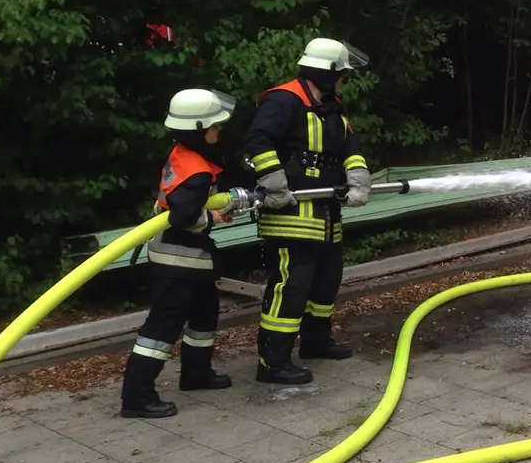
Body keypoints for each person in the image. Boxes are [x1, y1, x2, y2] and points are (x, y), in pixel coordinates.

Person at [244, 38, 372, 385]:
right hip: (291, 212)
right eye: (342, 74)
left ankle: (316, 342)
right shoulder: (283, 100)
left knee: (327, 281)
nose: (344, 80)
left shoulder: (332, 107)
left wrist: (358, 178)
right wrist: (274, 181)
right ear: (326, 73)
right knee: (291, 287)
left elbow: (349, 146)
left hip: (327, 212)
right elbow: (258, 140)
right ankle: (272, 363)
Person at [120, 88, 241, 418]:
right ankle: (137, 398)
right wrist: (215, 216)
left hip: (186, 258)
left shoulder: (183, 155)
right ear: (198, 130)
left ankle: (196, 374)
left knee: (205, 314)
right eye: (215, 126)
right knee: (161, 330)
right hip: (178, 260)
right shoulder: (196, 173)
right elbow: (183, 217)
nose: (219, 131)